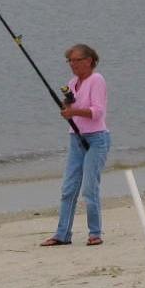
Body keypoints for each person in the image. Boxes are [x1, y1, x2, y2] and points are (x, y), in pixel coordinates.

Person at [41, 43, 111, 247]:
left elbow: (97, 112)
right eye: (70, 61)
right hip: (76, 139)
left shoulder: (97, 80)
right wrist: (67, 108)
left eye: (76, 60)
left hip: (97, 138)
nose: (72, 64)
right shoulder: (72, 82)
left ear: (89, 61)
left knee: (90, 188)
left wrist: (74, 112)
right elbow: (71, 109)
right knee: (68, 188)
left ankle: (95, 232)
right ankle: (62, 234)